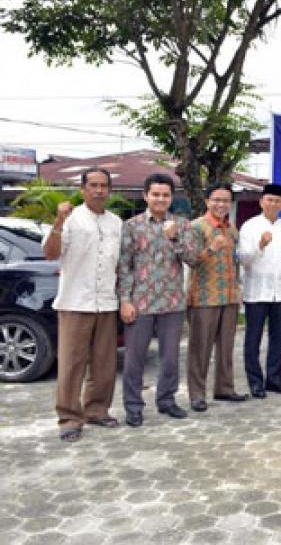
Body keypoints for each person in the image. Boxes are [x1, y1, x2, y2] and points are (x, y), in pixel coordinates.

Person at [43, 167, 122, 442]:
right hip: (75, 302)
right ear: (83, 189)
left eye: (104, 186)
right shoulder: (70, 219)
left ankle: (97, 410)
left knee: (104, 363)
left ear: (109, 190)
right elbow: (50, 254)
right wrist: (57, 222)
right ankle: (68, 417)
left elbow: (120, 263)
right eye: (94, 186)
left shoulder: (116, 223)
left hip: (106, 303)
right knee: (71, 364)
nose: (99, 191)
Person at [118, 173, 198, 427]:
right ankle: (133, 407)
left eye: (165, 195)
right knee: (134, 358)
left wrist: (174, 238)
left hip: (172, 302)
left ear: (171, 197)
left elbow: (193, 260)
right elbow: (124, 266)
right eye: (155, 194)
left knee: (170, 357)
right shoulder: (132, 226)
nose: (160, 199)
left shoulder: (183, 225)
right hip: (140, 303)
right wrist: (125, 300)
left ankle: (166, 400)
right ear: (146, 196)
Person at [185, 183, 248, 412]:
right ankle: (197, 394)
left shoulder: (232, 230)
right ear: (207, 201)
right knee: (200, 349)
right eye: (217, 200)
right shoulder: (196, 227)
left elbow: (236, 262)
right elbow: (190, 259)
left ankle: (224, 388)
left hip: (229, 296)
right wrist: (210, 248)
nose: (221, 204)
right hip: (204, 298)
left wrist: (238, 288)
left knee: (226, 347)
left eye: (225, 200)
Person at [238, 183, 281, 399]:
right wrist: (260, 245)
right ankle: (255, 382)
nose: (273, 204)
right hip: (256, 291)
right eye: (269, 200)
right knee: (253, 338)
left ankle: (274, 379)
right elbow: (243, 260)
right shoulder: (249, 227)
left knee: (277, 338)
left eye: (277, 201)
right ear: (261, 202)